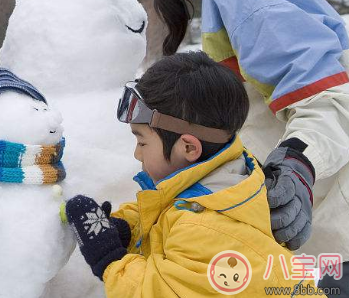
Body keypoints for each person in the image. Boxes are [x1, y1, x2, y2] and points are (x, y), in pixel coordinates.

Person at [120, 0, 349, 288]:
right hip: (317, 213)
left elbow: (332, 96)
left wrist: (297, 169)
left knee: (315, 286)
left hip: (331, 221)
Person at [65, 52, 301, 297]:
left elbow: (159, 292)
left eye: (142, 142)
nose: (137, 154)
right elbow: (166, 211)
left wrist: (110, 259)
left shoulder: (204, 230)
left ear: (188, 148)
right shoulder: (226, 181)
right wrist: (125, 228)